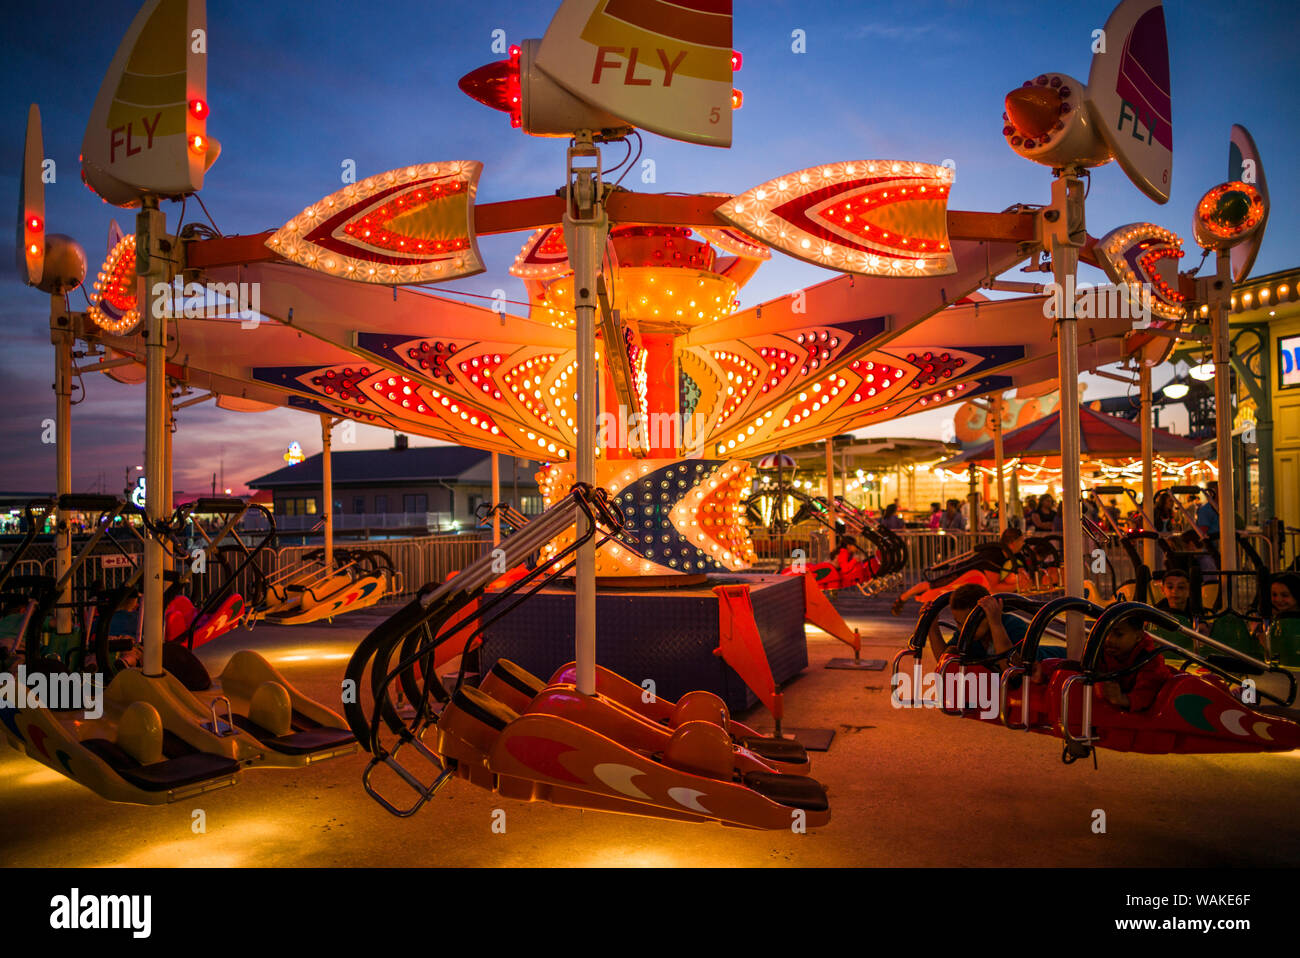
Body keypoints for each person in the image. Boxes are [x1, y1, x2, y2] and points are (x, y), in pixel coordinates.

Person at [925, 583, 1028, 667]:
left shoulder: (1014, 626)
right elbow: (945, 662)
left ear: (987, 615)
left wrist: (996, 624)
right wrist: (932, 626)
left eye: (971, 624)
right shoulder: (965, 634)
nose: (964, 630)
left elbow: (1013, 672)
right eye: (959, 624)